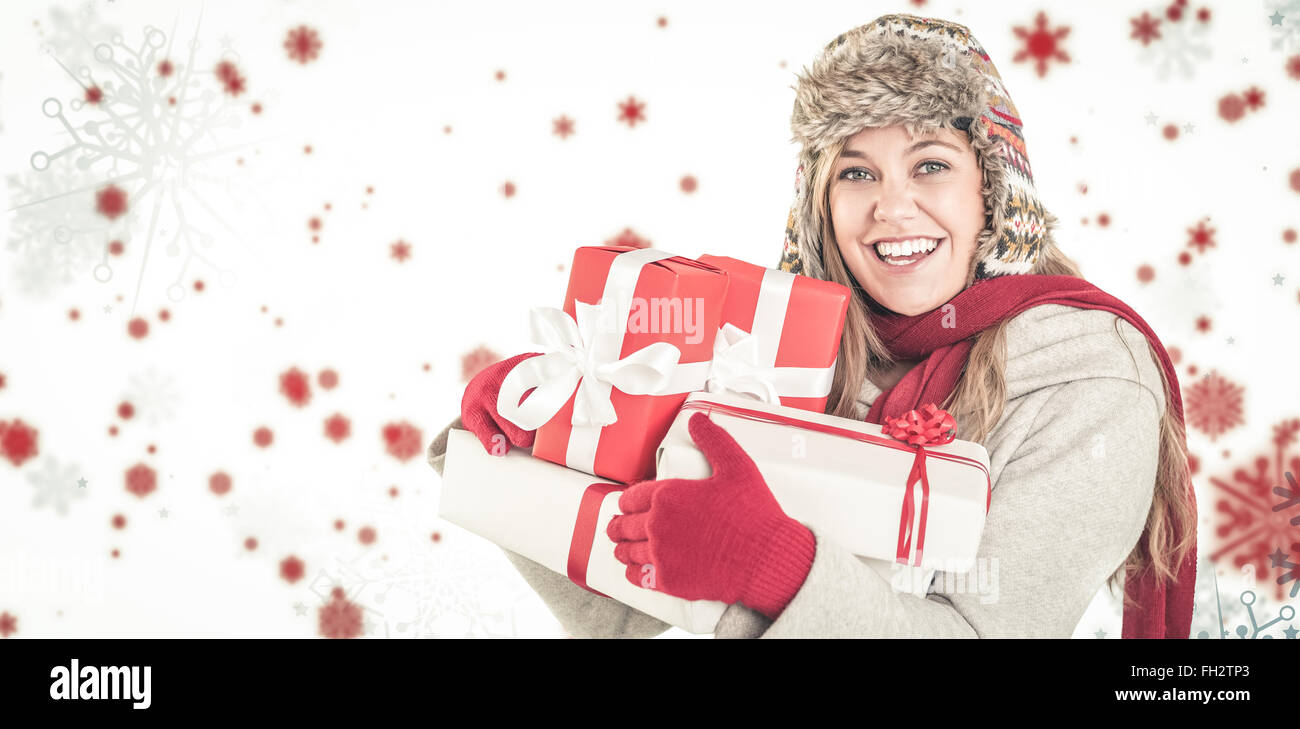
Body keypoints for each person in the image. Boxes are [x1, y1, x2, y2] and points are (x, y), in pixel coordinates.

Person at [427, 13, 1198, 638]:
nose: (892, 208)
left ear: (994, 193)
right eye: (856, 172)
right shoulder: (783, 349)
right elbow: (626, 611)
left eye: (931, 164)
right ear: (819, 205)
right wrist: (540, 443)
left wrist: (776, 565)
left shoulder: (1091, 378)